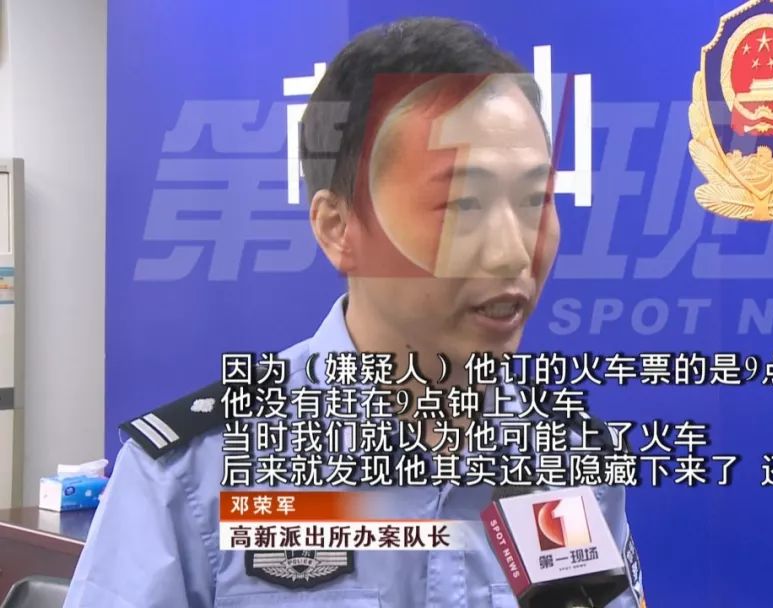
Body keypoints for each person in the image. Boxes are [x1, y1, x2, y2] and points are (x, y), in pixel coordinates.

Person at [64, 17, 646, 608]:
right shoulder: (192, 476)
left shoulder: (569, 460)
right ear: (339, 228)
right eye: (464, 203)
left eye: (533, 200)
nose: (514, 251)